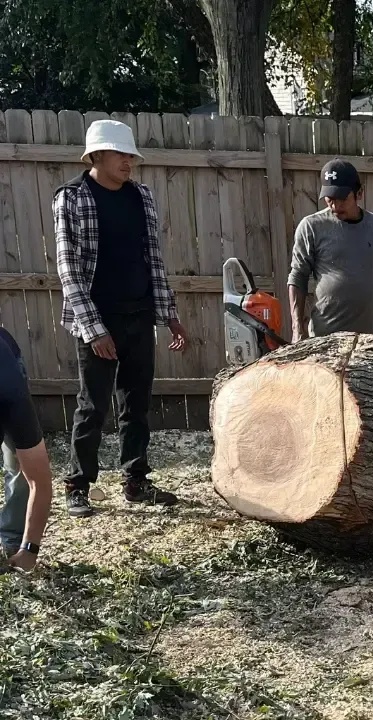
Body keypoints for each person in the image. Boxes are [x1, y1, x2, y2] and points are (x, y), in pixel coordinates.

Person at [53, 119, 190, 518]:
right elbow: (69, 270)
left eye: (130, 154)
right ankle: (78, 484)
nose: (129, 161)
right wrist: (94, 330)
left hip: (139, 315)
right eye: (121, 153)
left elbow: (154, 260)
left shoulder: (141, 196)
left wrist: (169, 316)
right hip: (97, 319)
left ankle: (136, 480)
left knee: (136, 403)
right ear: (96, 155)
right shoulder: (72, 198)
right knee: (92, 406)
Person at [288, 159, 373, 341]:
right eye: (330, 199)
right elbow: (298, 276)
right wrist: (297, 328)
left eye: (342, 198)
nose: (335, 205)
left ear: (359, 193)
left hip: (372, 340)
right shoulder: (311, 227)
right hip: (325, 338)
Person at [0, 327, 56, 572]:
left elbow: (40, 482)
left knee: (18, 467)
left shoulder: (12, 397)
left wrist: (30, 550)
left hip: (6, 360)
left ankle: (14, 541)